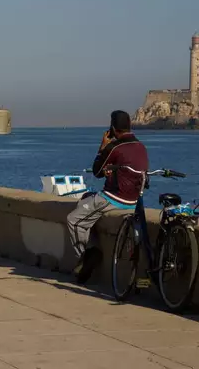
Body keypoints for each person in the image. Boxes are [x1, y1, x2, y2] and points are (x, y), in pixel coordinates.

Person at [67, 110, 148, 284]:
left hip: (115, 198)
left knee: (73, 220)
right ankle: (93, 248)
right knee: (86, 198)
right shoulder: (141, 146)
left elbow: (97, 171)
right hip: (134, 200)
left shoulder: (114, 147)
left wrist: (102, 147)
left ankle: (86, 256)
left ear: (112, 128)